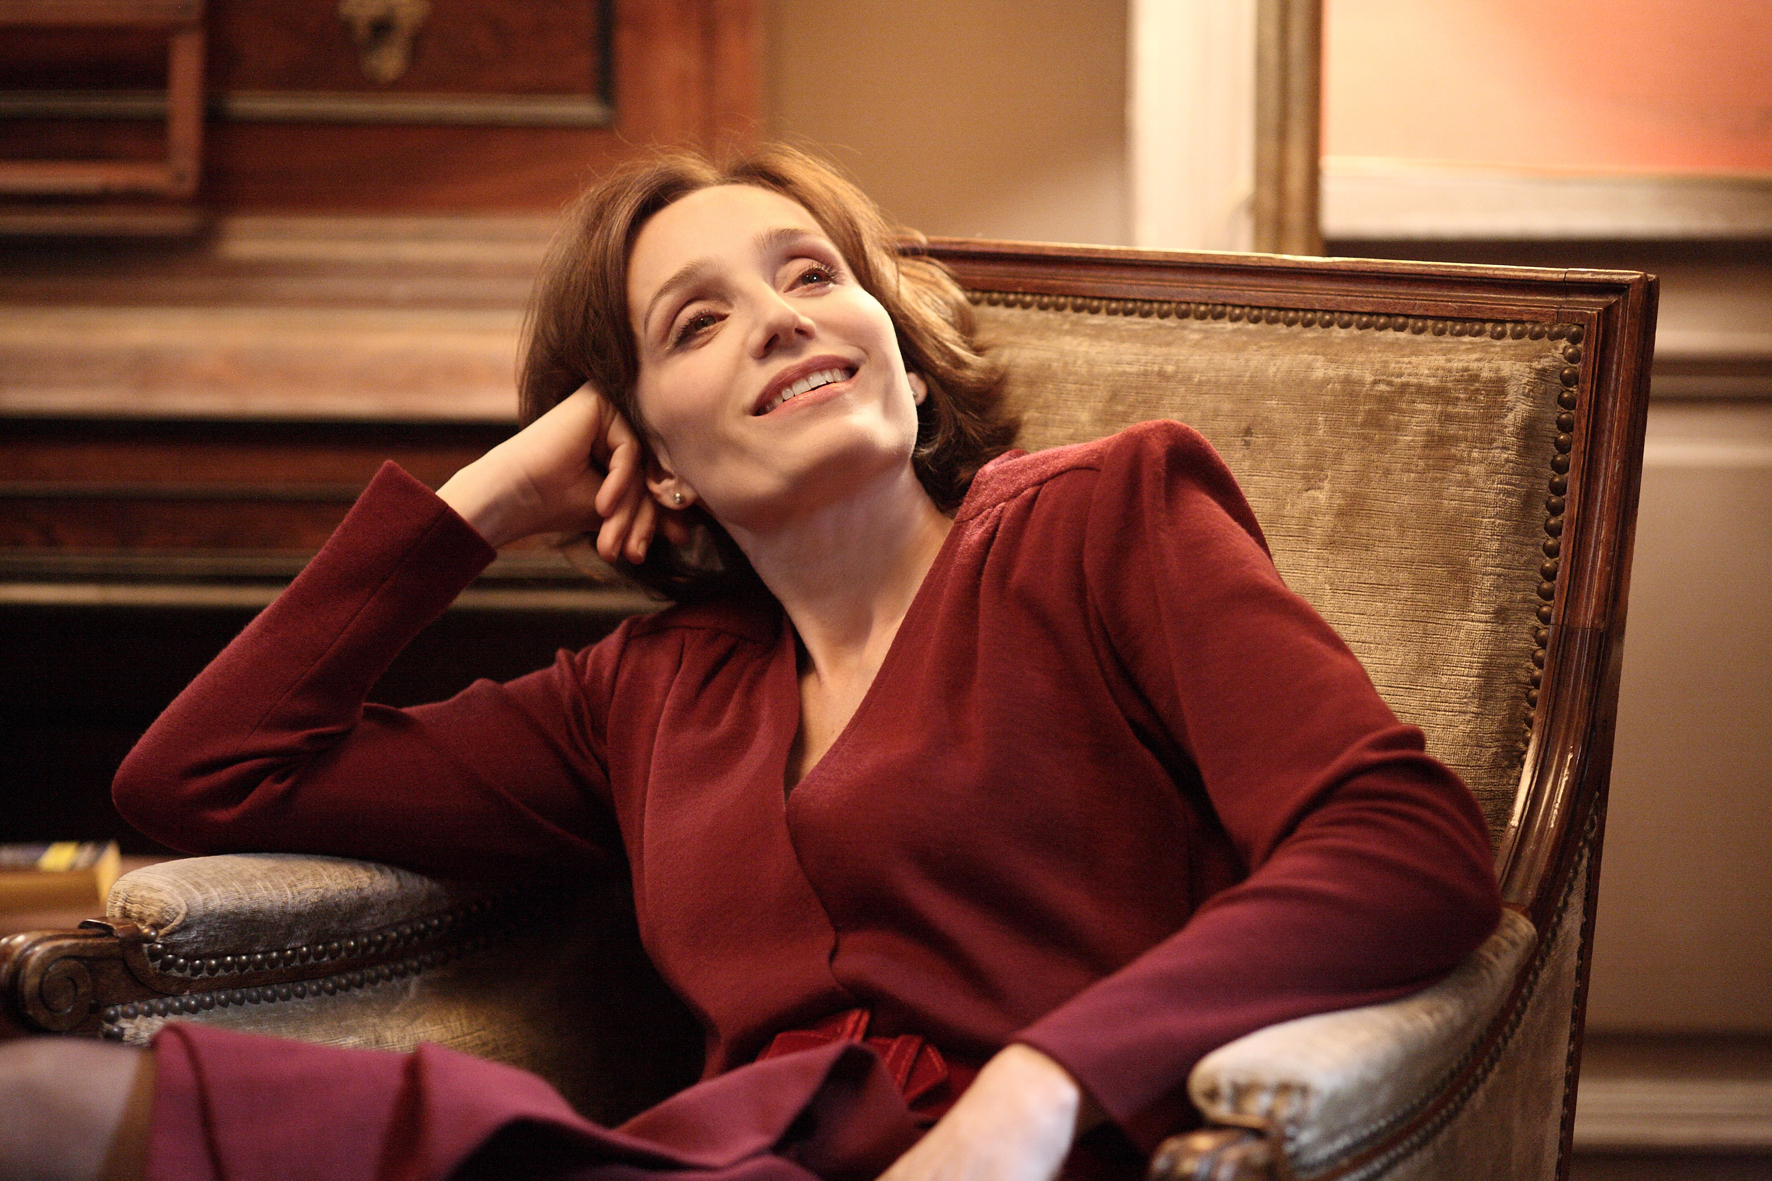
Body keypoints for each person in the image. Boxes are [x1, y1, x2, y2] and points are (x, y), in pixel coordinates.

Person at [0, 146, 1501, 1181]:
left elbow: (1404, 844)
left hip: (1057, 1157)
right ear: (645, 455)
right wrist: (485, 502)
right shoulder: (644, 697)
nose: (782, 318)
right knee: (40, 1105)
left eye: (814, 275)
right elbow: (202, 775)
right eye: (698, 321)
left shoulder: (1102, 519)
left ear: (895, 342)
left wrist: (1045, 1085)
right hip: (695, 1162)